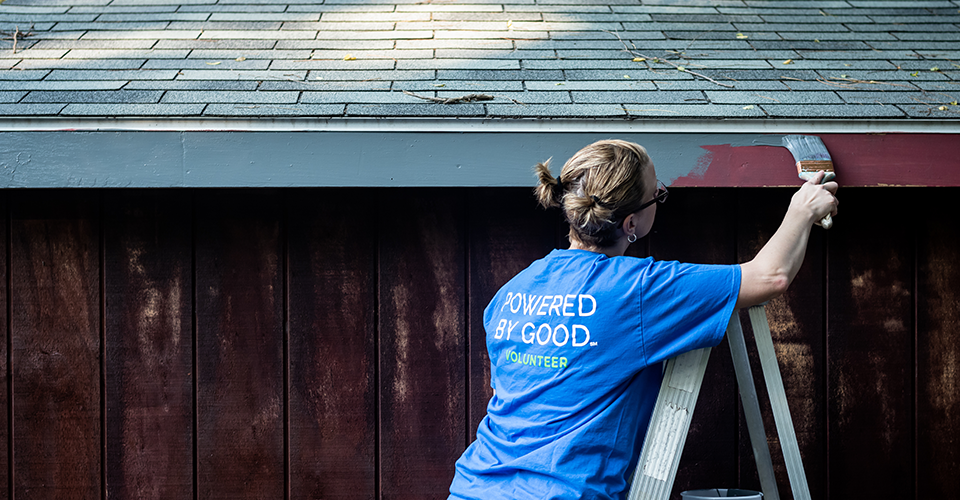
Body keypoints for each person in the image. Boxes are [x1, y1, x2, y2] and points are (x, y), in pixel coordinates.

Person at [447, 139, 838, 500]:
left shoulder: (513, 291)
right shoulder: (637, 290)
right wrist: (803, 210)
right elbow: (770, 277)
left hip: (471, 487)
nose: (659, 196)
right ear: (631, 224)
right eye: (658, 195)